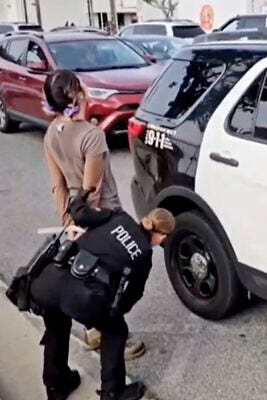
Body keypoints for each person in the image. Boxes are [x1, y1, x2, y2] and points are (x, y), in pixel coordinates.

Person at [42, 69, 146, 360]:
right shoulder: (92, 135)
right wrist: (90, 226)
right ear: (76, 95)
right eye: (81, 87)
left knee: (86, 274)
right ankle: (115, 339)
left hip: (75, 217)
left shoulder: (51, 134)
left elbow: (58, 184)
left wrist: (68, 221)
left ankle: (92, 331)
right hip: (103, 216)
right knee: (112, 277)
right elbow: (93, 189)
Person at [30, 193, 175, 400]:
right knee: (115, 331)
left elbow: (80, 214)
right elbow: (130, 297)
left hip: (49, 279)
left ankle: (56, 386)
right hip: (82, 298)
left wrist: (79, 199)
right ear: (161, 237)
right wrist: (111, 314)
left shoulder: (119, 217)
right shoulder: (144, 255)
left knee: (57, 326)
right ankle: (112, 392)